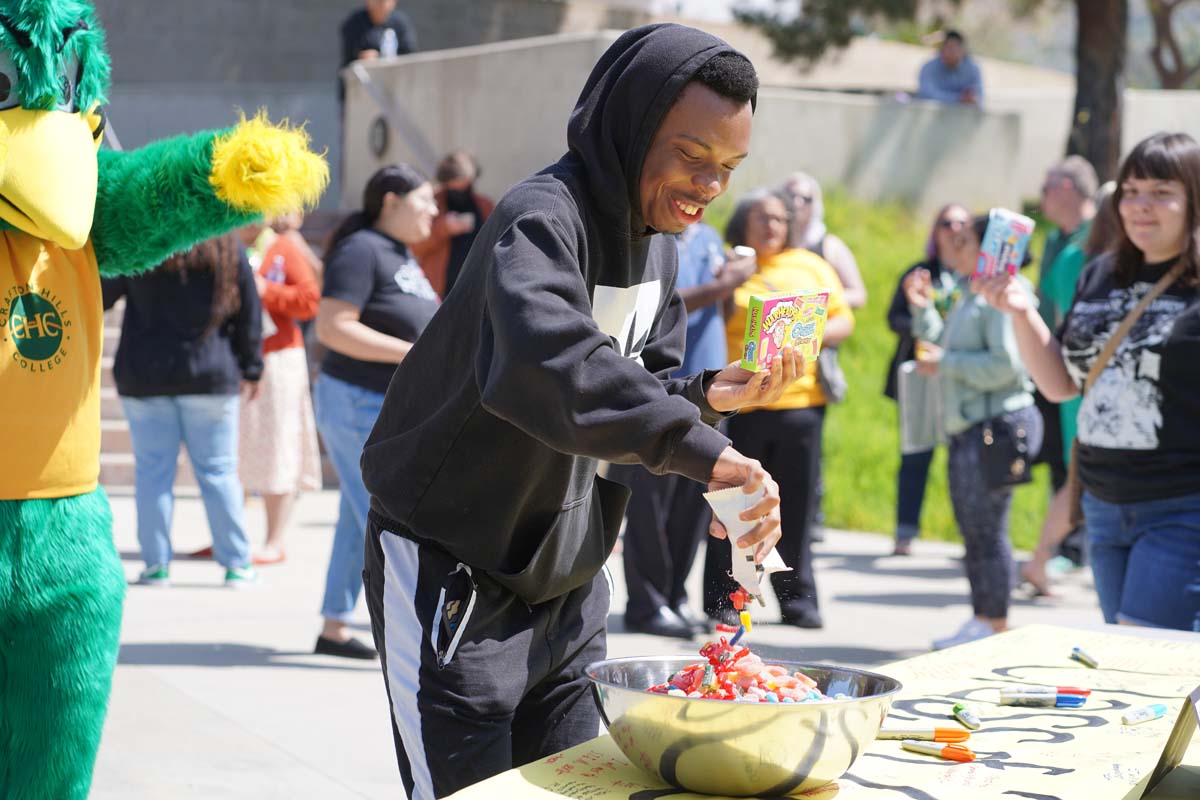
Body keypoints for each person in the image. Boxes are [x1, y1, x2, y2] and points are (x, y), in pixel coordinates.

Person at [359, 25, 802, 797]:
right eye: (692, 158)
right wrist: (704, 451)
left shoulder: (660, 244)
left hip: (567, 585)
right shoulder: (540, 219)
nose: (708, 186)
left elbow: (631, 391)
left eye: (727, 169)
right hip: (456, 567)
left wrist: (703, 401)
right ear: (631, 127)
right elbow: (550, 365)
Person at [977, 132, 1200, 632]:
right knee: (1137, 659)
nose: (1141, 207)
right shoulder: (1100, 274)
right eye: (1132, 191)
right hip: (1101, 501)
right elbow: (1062, 384)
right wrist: (1021, 311)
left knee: (1149, 656)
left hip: (1182, 507)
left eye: (1162, 192)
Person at [703, 189, 855, 630]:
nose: (771, 225)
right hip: (742, 405)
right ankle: (726, 600)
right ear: (742, 224)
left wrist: (805, 334)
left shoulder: (810, 265)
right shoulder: (731, 263)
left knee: (797, 509)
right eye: (761, 217)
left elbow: (845, 320)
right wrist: (732, 278)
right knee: (732, 507)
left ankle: (798, 601)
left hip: (800, 405)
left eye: (778, 219)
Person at [313, 164, 439, 659]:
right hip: (355, 401)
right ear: (391, 200)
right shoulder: (360, 249)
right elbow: (332, 327)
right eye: (423, 200)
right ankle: (399, 629)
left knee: (360, 510)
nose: (432, 210)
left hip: (386, 406)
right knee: (379, 513)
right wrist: (414, 354)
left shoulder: (396, 252)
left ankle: (334, 625)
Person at [607, 223, 756, 639]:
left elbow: (719, 308)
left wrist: (730, 287)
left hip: (707, 390)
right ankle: (647, 602)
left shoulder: (709, 239)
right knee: (649, 505)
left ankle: (674, 596)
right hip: (662, 387)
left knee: (693, 507)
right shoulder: (652, 239)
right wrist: (725, 282)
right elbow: (667, 304)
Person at [905, 215, 1043, 649]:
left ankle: (994, 621)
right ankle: (984, 617)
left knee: (988, 529)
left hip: (995, 426)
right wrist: (923, 310)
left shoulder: (998, 299)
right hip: (972, 425)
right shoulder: (971, 292)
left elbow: (1006, 367)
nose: (952, 246)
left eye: (963, 241)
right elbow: (946, 349)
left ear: (988, 250)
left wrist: (945, 363)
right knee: (974, 528)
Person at [103, 234, 264, 588]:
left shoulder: (143, 243)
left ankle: (155, 565)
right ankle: (237, 563)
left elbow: (101, 295)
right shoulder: (225, 246)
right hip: (210, 373)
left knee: (153, 473)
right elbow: (250, 311)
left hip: (145, 374)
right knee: (218, 472)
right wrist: (252, 367)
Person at [1021, 156, 1098, 594]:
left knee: (1078, 474)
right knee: (1079, 472)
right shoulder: (1071, 249)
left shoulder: (1092, 244)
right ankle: (1044, 558)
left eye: (1048, 186)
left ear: (1069, 187)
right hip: (1077, 378)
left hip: (1078, 377)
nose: (1042, 195)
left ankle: (1043, 559)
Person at [885, 203, 971, 556]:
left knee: (965, 460)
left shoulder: (974, 275)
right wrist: (925, 331)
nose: (954, 229)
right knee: (916, 453)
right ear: (935, 231)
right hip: (921, 374)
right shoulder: (921, 272)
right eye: (946, 223)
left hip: (961, 376)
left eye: (962, 223)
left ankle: (971, 535)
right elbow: (894, 317)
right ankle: (905, 531)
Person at [238, 216, 324, 565]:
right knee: (235, 448)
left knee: (278, 446)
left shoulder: (282, 248)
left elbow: (309, 300)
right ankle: (232, 535)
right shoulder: (226, 246)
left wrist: (265, 291)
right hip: (237, 357)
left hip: (278, 357)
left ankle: (274, 539)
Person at [411, 150, 496, 297]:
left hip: (476, 288)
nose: (461, 190)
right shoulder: (432, 203)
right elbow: (415, 246)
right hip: (440, 291)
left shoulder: (484, 205)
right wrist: (445, 228)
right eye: (455, 186)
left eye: (466, 184)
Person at [779, 172, 867, 309]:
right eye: (791, 196)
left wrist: (813, 301)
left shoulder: (830, 246)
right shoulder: (772, 241)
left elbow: (858, 295)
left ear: (815, 205)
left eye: (806, 198)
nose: (797, 203)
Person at [916, 30, 983, 106]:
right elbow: (926, 94)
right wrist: (958, 99)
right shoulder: (929, 67)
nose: (949, 53)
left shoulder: (973, 69)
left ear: (963, 51)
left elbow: (979, 97)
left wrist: (972, 98)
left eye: (954, 49)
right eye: (947, 48)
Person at [340, 0, 416, 67]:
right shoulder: (355, 22)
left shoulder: (400, 23)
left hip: (394, 75)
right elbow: (349, 57)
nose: (381, 4)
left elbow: (409, 54)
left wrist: (380, 58)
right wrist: (361, 58)